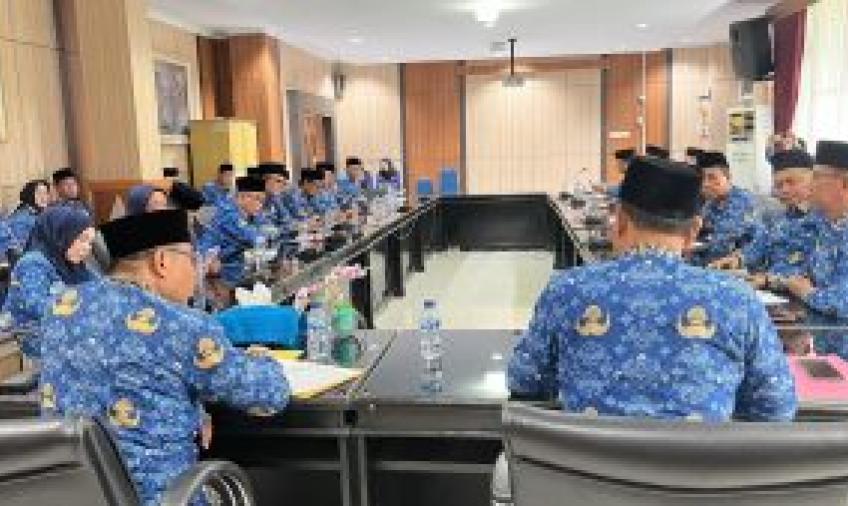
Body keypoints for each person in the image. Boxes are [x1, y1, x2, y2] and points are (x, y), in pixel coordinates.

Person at [508, 155, 797, 422]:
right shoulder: (737, 299)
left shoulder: (566, 289)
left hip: (587, 474)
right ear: (693, 231)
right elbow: (776, 406)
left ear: (619, 220)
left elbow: (525, 381)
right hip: (702, 474)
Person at [39, 209, 289, 506]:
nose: (197, 270)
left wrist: (195, 410)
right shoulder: (182, 324)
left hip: (71, 495)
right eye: (192, 258)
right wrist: (261, 356)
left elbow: (114, 378)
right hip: (164, 497)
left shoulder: (60, 307)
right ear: (161, 262)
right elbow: (269, 395)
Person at [710, 149, 817, 287]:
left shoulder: (825, 220)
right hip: (768, 287)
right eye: (779, 185)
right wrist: (737, 259)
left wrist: (769, 280)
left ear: (812, 182)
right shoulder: (781, 216)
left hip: (799, 297)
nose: (784, 190)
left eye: (791, 182)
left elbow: (813, 272)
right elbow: (761, 244)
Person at [2, 206, 95, 358]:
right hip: (26, 338)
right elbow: (39, 307)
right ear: (61, 234)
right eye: (82, 239)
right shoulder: (32, 263)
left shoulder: (73, 263)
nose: (87, 248)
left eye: (90, 243)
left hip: (60, 333)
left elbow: (100, 290)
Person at [784, 141, 848, 326]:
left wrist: (807, 293)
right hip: (821, 331)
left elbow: (843, 304)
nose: (810, 185)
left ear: (844, 184)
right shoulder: (828, 226)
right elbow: (809, 275)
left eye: (817, 177)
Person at [197, 176, 268, 286]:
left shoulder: (241, 211)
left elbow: (264, 229)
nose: (260, 205)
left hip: (226, 264)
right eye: (257, 199)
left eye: (262, 200)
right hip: (208, 271)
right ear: (242, 198)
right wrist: (262, 232)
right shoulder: (228, 213)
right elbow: (254, 238)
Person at [692, 151, 757, 265]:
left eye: (712, 178)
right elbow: (701, 233)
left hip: (737, 266)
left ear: (728, 178)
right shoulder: (710, 204)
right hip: (711, 264)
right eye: (702, 178)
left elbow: (723, 245)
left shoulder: (743, 202)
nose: (705, 184)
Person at [6, 179, 51, 251]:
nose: (43, 197)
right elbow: (20, 248)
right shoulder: (22, 217)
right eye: (39, 193)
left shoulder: (43, 213)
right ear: (31, 195)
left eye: (45, 193)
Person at [258, 163, 296, 229]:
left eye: (284, 183)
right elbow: (264, 231)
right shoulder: (255, 201)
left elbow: (287, 219)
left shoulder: (274, 199)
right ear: (264, 181)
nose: (282, 186)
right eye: (278, 181)